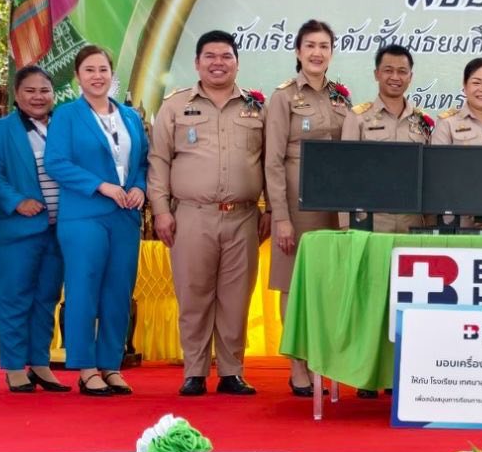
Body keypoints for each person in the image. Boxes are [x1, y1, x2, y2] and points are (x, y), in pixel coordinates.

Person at [148, 30, 269, 398]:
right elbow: (159, 161)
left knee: (236, 298)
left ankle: (232, 371)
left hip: (244, 217)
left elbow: (269, 163)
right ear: (197, 62)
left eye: (226, 56)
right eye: (210, 56)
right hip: (191, 216)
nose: (218, 62)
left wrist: (269, 209)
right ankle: (195, 371)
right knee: (194, 294)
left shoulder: (256, 107)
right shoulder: (175, 105)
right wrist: (161, 211)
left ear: (237, 62)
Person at [42, 46, 147, 397]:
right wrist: (100, 185)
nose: (97, 76)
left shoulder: (130, 117)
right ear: (78, 77)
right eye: (89, 70)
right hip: (84, 214)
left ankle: (111, 365)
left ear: (112, 75)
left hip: (125, 217)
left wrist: (139, 188)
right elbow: (56, 163)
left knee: (119, 291)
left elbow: (144, 163)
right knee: (84, 289)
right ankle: (86, 368)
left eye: (103, 69)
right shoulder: (67, 116)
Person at [265, 20, 351, 396]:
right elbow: (272, 161)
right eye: (310, 45)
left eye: (324, 46)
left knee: (326, 285)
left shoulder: (342, 98)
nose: (317, 53)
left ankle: (322, 359)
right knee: (291, 283)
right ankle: (297, 365)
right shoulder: (283, 97)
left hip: (333, 206)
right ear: (298, 51)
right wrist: (280, 216)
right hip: (296, 204)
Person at [0, 64, 69, 394]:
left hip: (58, 229)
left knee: (46, 298)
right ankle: (15, 366)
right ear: (17, 95)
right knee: (14, 298)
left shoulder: (63, 126)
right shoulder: (0, 130)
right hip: (15, 228)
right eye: (30, 91)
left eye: (44, 90)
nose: (38, 97)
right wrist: (17, 201)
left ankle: (40, 363)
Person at [341, 43, 434, 234]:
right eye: (388, 71)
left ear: (410, 77)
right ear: (377, 74)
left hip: (412, 220)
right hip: (370, 220)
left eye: (402, 71)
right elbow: (345, 172)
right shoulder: (358, 117)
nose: (395, 77)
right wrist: (345, 222)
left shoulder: (422, 121)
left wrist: (431, 222)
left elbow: (431, 175)